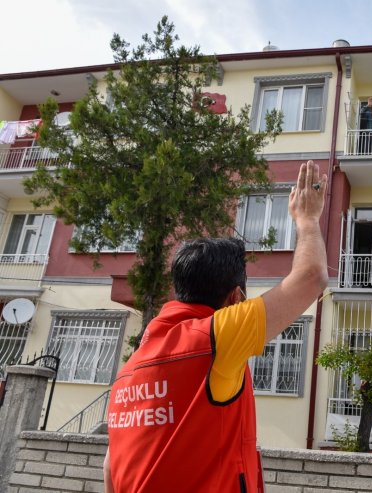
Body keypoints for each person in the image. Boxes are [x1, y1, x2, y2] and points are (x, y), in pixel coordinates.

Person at [104, 161, 328, 493]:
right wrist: (307, 219)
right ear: (234, 298)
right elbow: (312, 278)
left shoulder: (131, 368)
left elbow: (111, 464)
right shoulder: (213, 337)